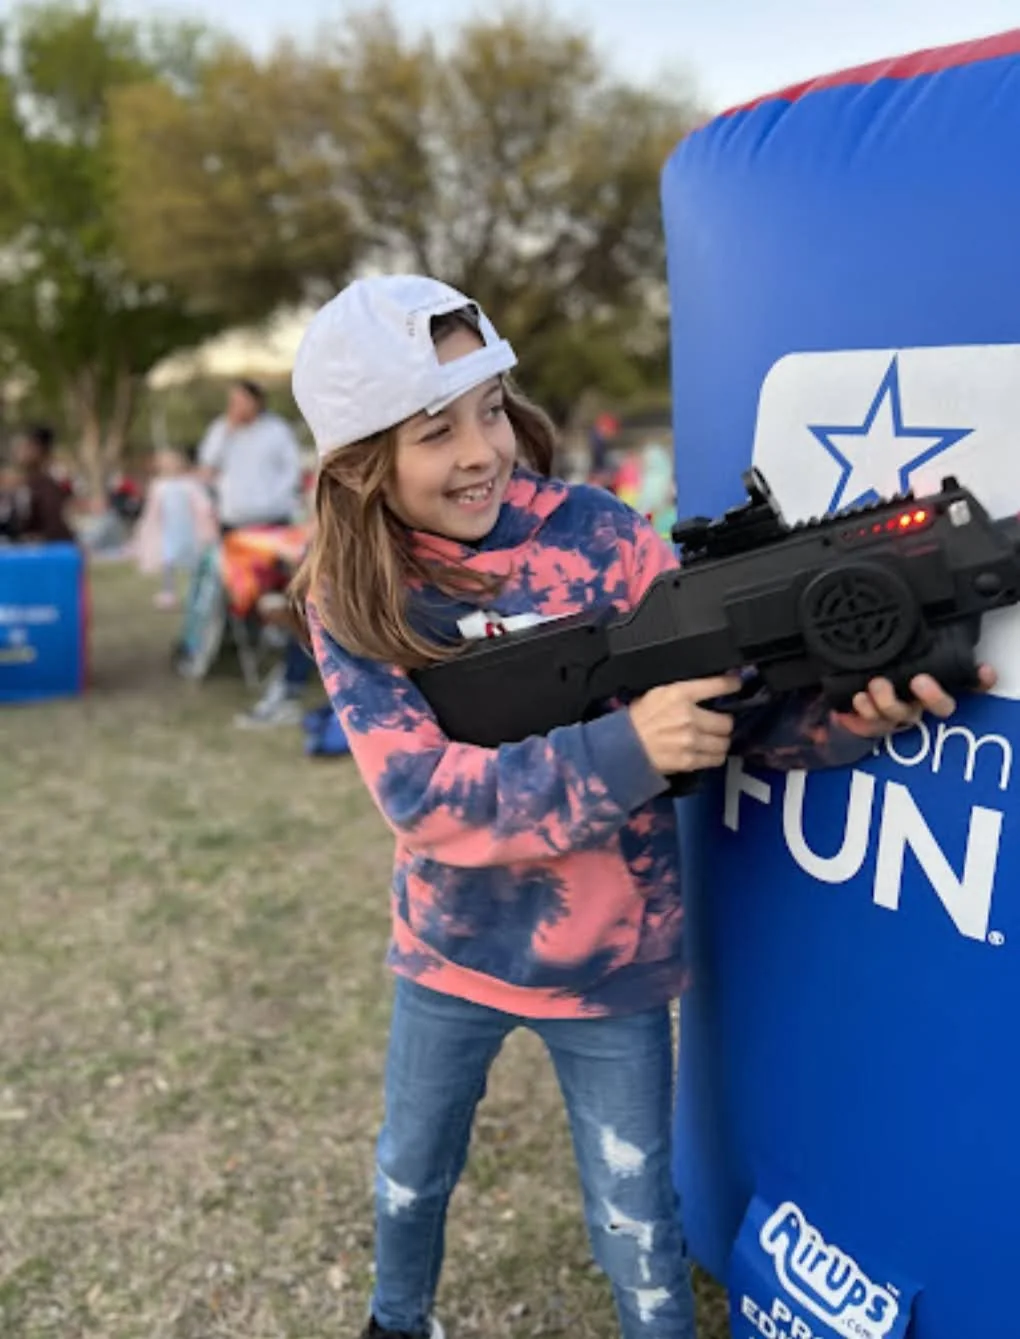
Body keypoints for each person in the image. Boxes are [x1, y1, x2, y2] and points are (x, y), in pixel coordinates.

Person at [287, 275, 994, 1339]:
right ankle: (396, 1319)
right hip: (449, 953)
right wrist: (628, 747)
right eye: (436, 431)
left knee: (636, 1216)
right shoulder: (352, 594)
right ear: (357, 464)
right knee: (411, 1169)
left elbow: (739, 719)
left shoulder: (601, 536)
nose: (480, 451)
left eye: (491, 410)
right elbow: (422, 798)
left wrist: (853, 715)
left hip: (613, 961)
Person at [197, 378, 303, 532]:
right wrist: (227, 433)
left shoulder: (277, 429)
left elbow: (292, 468)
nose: (236, 406)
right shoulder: (220, 429)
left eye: (241, 401)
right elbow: (208, 465)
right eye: (233, 401)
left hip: (273, 516)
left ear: (256, 402)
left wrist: (277, 498)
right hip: (233, 518)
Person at [133, 446, 218, 609]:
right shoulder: (159, 485)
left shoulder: (189, 484)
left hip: (189, 529)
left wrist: (207, 518)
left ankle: (196, 592)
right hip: (168, 530)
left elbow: (202, 504)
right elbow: (153, 509)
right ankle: (169, 592)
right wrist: (148, 526)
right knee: (168, 561)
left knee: (194, 561)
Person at [8, 425, 75, 544]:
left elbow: (55, 523)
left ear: (38, 449)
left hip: (48, 548)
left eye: (27, 446)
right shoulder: (27, 481)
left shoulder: (49, 483)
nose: (20, 452)